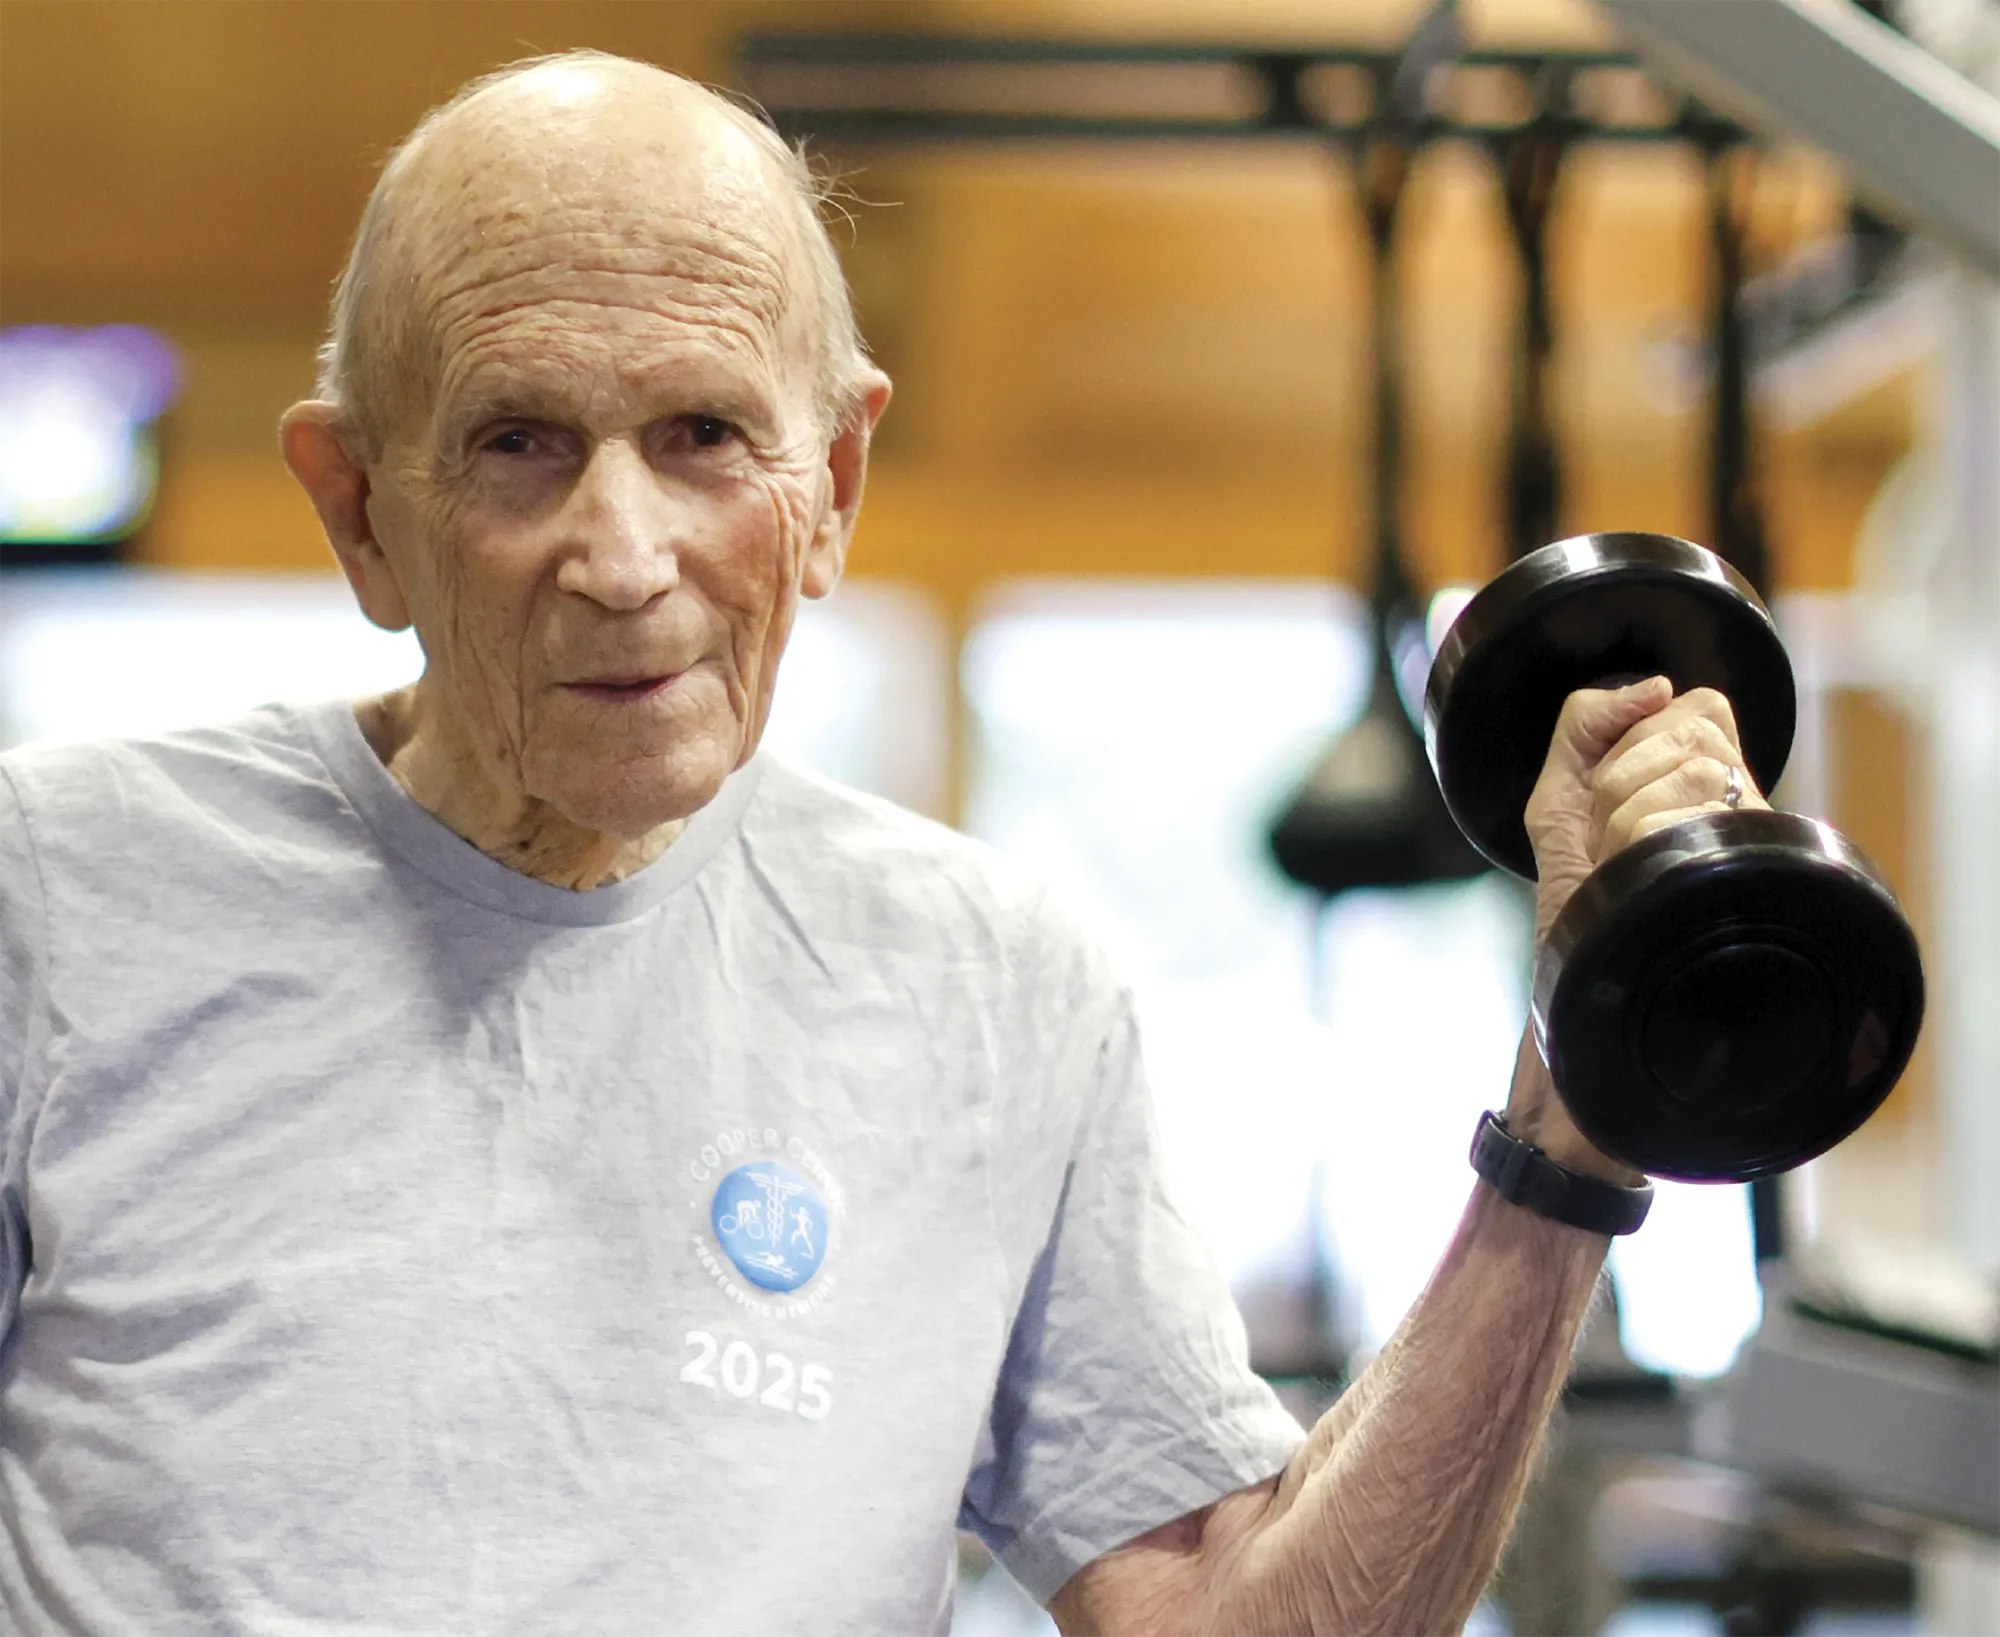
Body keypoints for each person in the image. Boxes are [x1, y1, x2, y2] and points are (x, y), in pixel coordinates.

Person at [0, 51, 1770, 1637]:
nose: (621, 557)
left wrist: (1574, 1114)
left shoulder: (990, 987)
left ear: (833, 486)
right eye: (518, 445)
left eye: (703, 437)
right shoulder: (52, 891)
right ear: (360, 512)